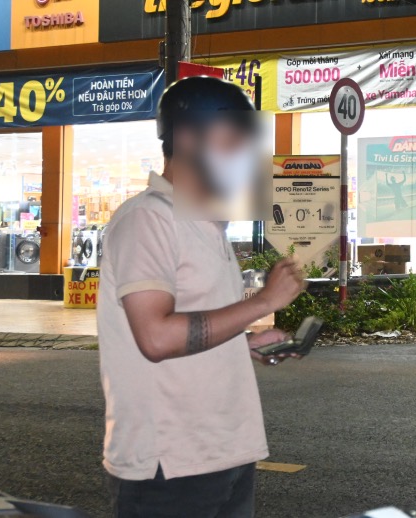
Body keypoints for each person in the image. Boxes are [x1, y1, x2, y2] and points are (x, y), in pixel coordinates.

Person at [97, 76, 307, 518]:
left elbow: (192, 323)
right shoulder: (146, 221)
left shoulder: (203, 223)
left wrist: (242, 343)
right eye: (232, 141)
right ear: (188, 137)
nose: (245, 157)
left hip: (224, 453)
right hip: (169, 466)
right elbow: (156, 337)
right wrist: (264, 302)